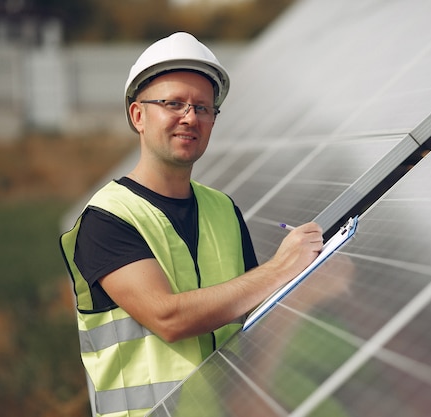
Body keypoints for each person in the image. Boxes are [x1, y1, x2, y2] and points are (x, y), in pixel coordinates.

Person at [59, 32, 323, 417]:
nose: (190, 117)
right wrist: (282, 268)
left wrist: (311, 288)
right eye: (173, 103)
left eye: (203, 107)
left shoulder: (223, 210)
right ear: (138, 116)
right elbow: (168, 317)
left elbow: (252, 320)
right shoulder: (107, 219)